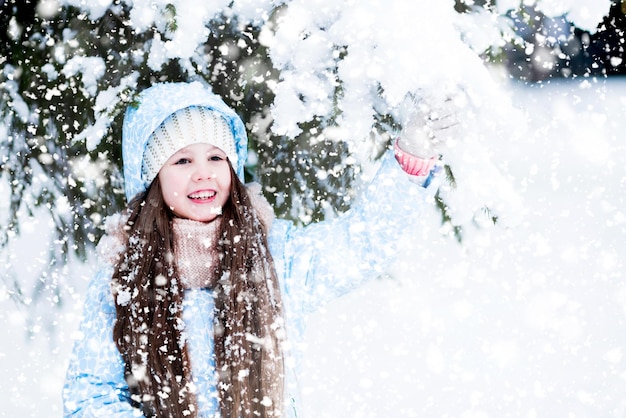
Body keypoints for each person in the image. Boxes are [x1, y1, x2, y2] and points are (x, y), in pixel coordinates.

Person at [62, 81, 458, 417]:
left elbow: (363, 242)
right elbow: (88, 398)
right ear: (154, 180)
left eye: (216, 157)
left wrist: (410, 160)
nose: (203, 172)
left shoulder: (277, 257)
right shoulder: (122, 280)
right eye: (182, 159)